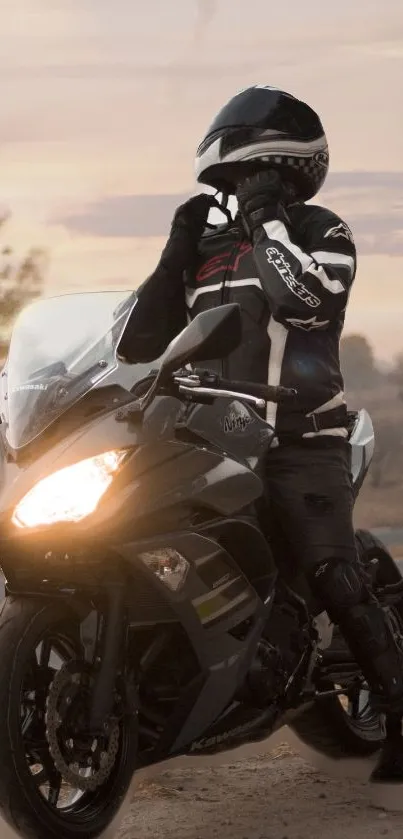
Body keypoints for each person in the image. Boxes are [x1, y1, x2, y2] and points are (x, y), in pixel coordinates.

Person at [120, 85, 403, 781]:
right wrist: (173, 251)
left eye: (251, 179)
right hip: (207, 439)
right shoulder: (204, 250)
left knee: (331, 570)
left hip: (300, 440)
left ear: (285, 171)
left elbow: (302, 301)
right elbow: (137, 344)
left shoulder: (319, 231)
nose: (238, 191)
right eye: (233, 184)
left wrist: (267, 218)